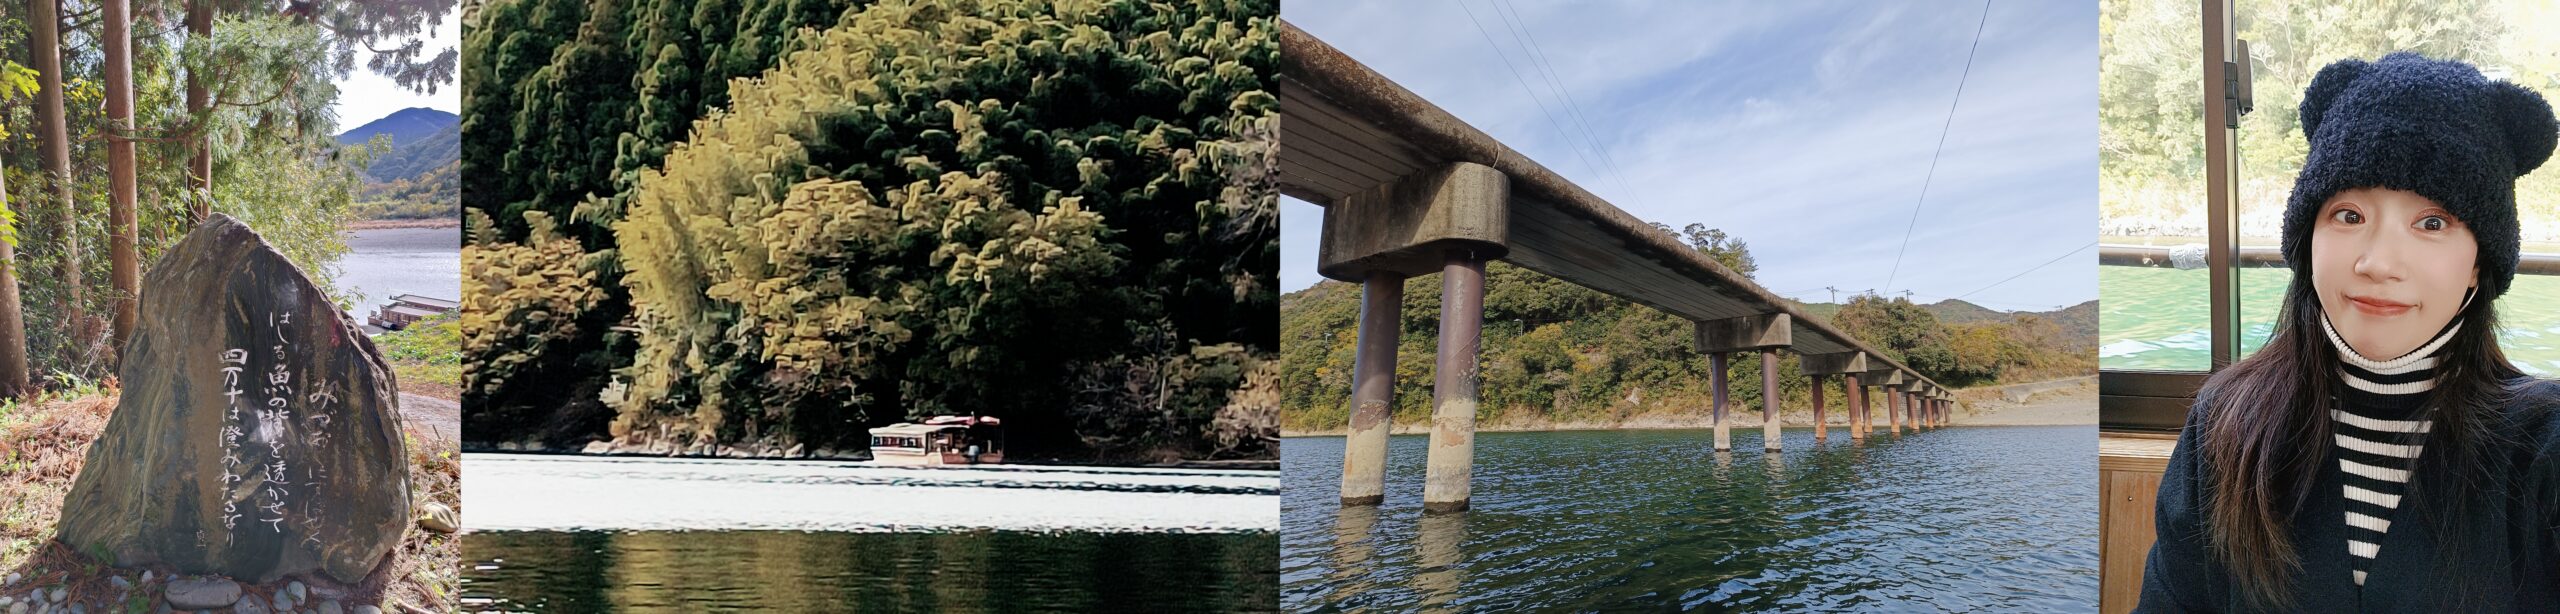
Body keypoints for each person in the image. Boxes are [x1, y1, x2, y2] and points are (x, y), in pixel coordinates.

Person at [2138, 52, 2560, 612]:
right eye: (2349, 216)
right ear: (2307, 238)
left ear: (2480, 261)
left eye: (2431, 223)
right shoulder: (2225, 423)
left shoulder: (2543, 447)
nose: (2379, 262)